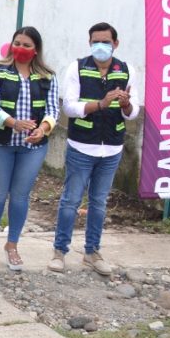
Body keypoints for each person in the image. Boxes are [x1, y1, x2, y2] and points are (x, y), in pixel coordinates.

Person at [49, 22, 139, 276]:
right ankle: (60, 251)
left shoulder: (126, 70)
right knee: (70, 201)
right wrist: (101, 103)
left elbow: (134, 113)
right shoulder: (78, 68)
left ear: (115, 44)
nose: (101, 46)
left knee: (98, 203)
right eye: (96, 41)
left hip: (111, 148)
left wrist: (126, 105)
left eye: (106, 42)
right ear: (90, 44)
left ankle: (92, 252)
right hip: (81, 147)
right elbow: (70, 108)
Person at [0, 26, 59, 271]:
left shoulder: (47, 76)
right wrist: (12, 122)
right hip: (0, 144)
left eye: (26, 45)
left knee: (20, 196)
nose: (20, 49)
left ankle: (12, 244)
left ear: (36, 50)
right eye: (17, 43)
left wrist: (43, 129)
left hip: (32, 148)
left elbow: (53, 109)